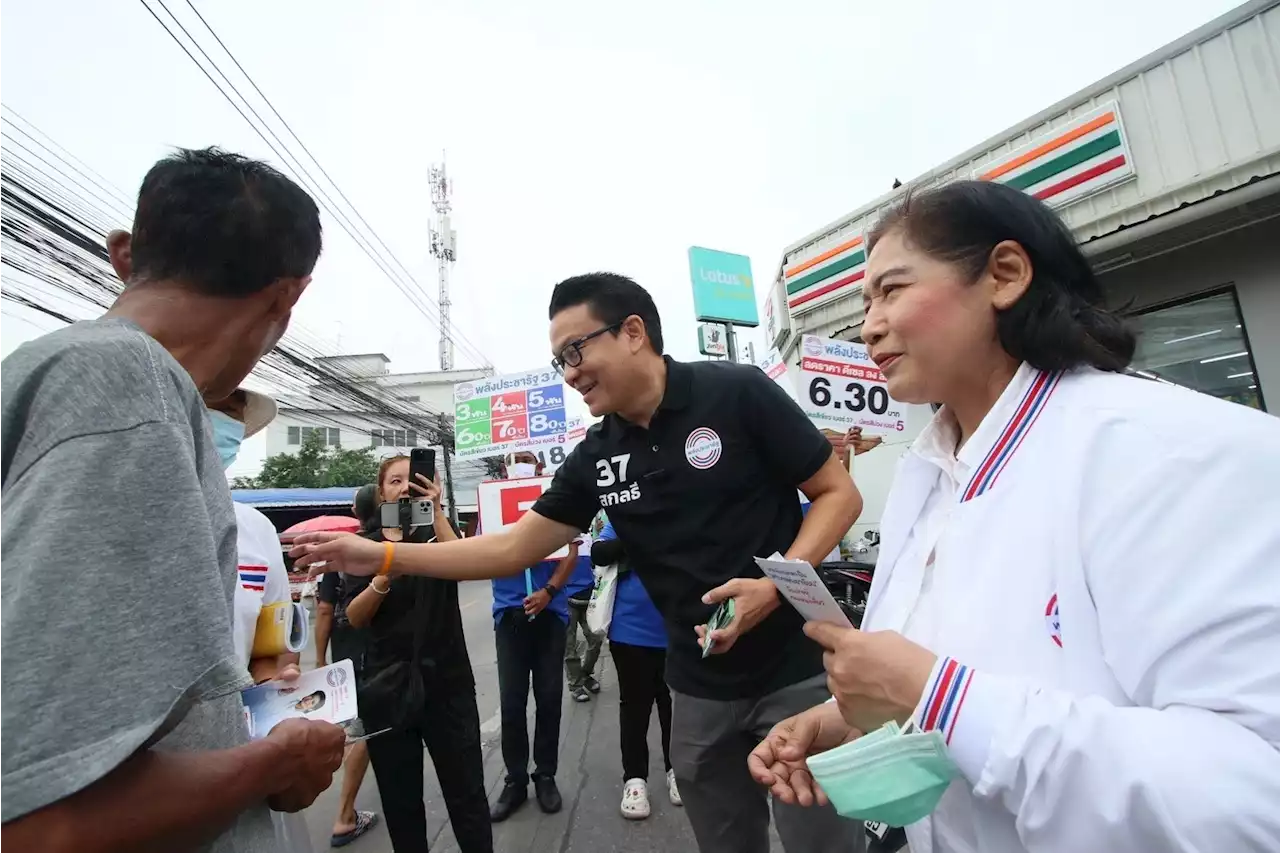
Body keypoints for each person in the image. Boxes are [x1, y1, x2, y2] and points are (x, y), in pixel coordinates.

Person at [747, 180, 1280, 853]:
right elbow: (946, 682)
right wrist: (843, 719)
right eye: (865, 301)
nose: (868, 324)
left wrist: (938, 699)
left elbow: (1256, 795)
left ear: (1004, 275)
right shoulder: (929, 471)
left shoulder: (1168, 451)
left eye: (891, 289)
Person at [291, 272, 867, 853]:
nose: (569, 373)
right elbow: (514, 547)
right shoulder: (597, 454)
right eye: (559, 360)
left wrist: (774, 583)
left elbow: (838, 494)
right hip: (697, 688)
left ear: (633, 332)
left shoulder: (737, 393)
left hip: (796, 676)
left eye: (575, 350)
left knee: (824, 844)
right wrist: (385, 553)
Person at [0, 147, 343, 852]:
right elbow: (42, 823)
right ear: (289, 296)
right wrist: (274, 764)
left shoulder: (47, 378)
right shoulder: (128, 388)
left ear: (125, 254)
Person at [343, 456, 491, 853]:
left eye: (415, 480)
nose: (406, 487)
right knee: (401, 804)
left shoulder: (437, 538)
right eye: (395, 480)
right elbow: (353, 617)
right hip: (386, 691)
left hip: (448, 685)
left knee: (468, 797)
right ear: (381, 493)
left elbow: (468, 564)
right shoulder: (365, 547)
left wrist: (438, 511)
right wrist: (383, 578)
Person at [487, 451, 583, 822]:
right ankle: (514, 781)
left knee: (549, 698)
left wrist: (549, 592)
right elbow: (480, 550)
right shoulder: (492, 508)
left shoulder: (556, 504)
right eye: (517, 459)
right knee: (512, 704)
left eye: (528, 459)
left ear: (539, 468)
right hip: (509, 617)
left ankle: (545, 774)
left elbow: (572, 550)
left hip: (550, 613)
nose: (522, 464)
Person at [594, 515, 681, 820]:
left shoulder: (679, 510)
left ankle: (676, 771)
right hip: (629, 629)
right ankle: (635, 780)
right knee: (634, 705)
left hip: (678, 628)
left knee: (673, 704)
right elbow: (599, 552)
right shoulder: (622, 517)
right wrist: (639, 536)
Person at [315, 481, 380, 848]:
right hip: (378, 653)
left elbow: (324, 610)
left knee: (364, 728)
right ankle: (344, 816)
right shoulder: (389, 549)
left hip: (346, 655)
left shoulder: (340, 553)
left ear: (356, 512)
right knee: (365, 734)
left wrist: (322, 660)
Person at [564, 522, 603, 703]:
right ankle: (576, 685)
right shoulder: (559, 542)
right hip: (567, 602)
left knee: (595, 640)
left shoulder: (589, 539)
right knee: (570, 648)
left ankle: (585, 675)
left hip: (588, 601)